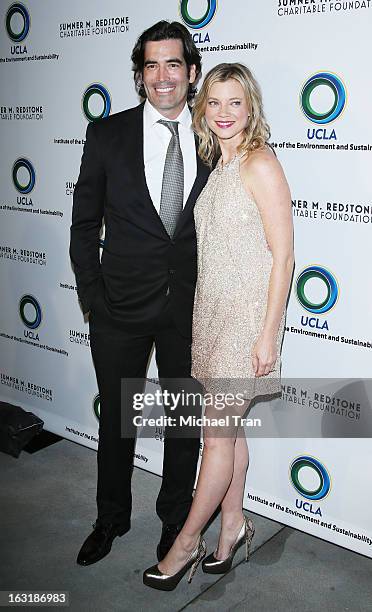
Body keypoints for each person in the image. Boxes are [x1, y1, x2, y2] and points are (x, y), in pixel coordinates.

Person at [143, 63, 294, 590]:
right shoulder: (218, 166)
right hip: (210, 317)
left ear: (251, 107)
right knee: (227, 436)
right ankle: (233, 526)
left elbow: (284, 259)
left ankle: (186, 543)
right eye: (215, 102)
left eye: (236, 102)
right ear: (202, 108)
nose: (225, 113)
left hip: (246, 322)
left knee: (216, 438)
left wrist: (268, 334)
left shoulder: (260, 163)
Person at [69, 20, 210, 567]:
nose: (162, 76)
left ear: (191, 72)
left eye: (173, 63)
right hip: (118, 308)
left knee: (183, 422)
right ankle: (111, 518)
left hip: (187, 308)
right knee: (117, 419)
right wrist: (92, 296)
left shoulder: (212, 137)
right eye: (151, 65)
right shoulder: (107, 135)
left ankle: (174, 520)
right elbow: (84, 225)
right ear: (139, 76)